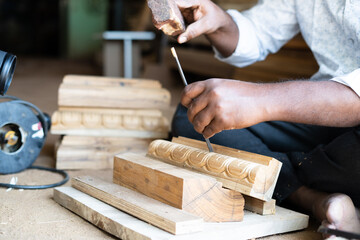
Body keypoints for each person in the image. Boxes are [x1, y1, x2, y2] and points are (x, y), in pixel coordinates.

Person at [166, 0, 360, 237]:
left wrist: (260, 100)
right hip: (320, 111)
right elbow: (259, 32)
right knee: (198, 118)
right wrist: (221, 22)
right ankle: (314, 198)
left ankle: (279, 178)